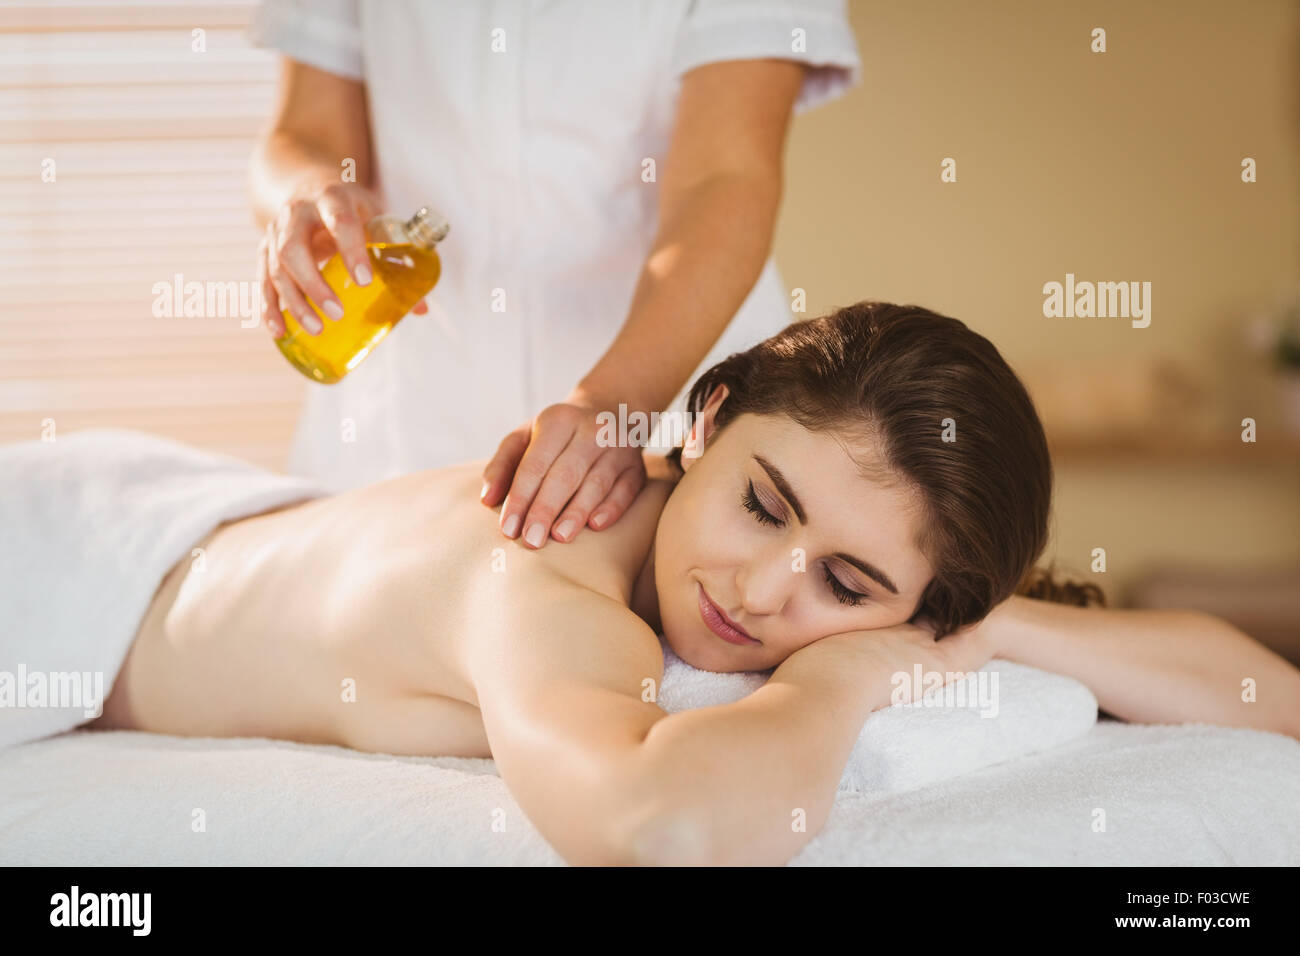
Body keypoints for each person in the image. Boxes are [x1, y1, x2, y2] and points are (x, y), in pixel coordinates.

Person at [79, 302, 1300, 865]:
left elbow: (1273, 700)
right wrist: (842, 671)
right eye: (764, 503)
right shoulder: (544, 580)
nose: (765, 590)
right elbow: (665, 826)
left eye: (844, 577)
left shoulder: (894, 597)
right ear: (706, 420)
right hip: (79, 554)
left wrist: (988, 622)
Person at [245, 0, 862, 550]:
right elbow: (304, 132)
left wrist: (618, 404)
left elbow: (724, 177)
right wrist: (307, 190)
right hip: (404, 406)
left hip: (663, 390)